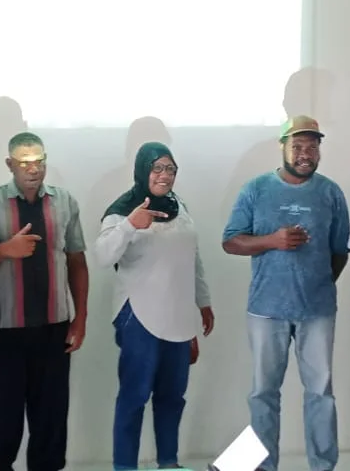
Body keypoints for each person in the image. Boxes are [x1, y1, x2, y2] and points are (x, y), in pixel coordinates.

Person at [221, 116, 349, 471]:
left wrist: (317, 282)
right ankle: (264, 467)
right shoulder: (256, 189)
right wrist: (271, 241)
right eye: (298, 146)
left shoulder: (330, 193)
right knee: (263, 393)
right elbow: (230, 241)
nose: (305, 153)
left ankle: (323, 466)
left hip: (318, 311)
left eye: (312, 147)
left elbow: (340, 250)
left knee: (321, 393)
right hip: (266, 309)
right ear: (282, 147)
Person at [0, 132, 89, 471]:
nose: (33, 169)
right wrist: (4, 250)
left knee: (50, 423)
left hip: (55, 329)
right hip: (5, 330)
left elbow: (76, 261)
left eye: (38, 161)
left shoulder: (64, 202)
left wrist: (80, 319)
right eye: (24, 163)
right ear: (9, 164)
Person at [97, 142, 214, 471]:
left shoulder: (180, 207)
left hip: (178, 317)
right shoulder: (123, 210)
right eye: (157, 168)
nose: (164, 175)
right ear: (142, 170)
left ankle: (168, 464)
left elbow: (192, 258)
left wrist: (203, 302)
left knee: (172, 397)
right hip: (138, 316)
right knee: (134, 397)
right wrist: (130, 225)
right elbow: (103, 256)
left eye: (170, 169)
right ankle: (125, 467)